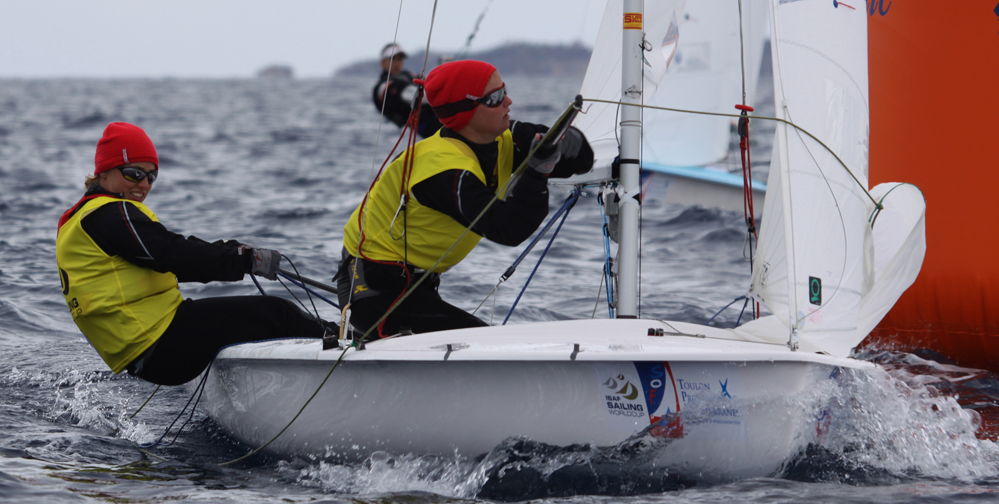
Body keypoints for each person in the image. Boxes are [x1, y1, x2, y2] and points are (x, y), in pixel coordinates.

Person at [56, 122, 336, 386]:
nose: (143, 184)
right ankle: (345, 341)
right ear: (104, 172)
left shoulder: (82, 219)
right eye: (134, 173)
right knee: (278, 312)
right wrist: (244, 259)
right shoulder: (108, 215)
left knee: (250, 317)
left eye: (151, 176)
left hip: (145, 352)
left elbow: (169, 256)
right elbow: (172, 254)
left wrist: (232, 252)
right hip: (162, 345)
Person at [338, 60, 594, 338]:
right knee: (482, 342)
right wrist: (538, 171)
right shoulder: (441, 170)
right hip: (373, 288)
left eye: (504, 90)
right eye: (495, 98)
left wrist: (572, 142)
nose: (509, 101)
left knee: (475, 338)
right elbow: (508, 228)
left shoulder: (499, 136)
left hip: (415, 283)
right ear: (466, 112)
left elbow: (578, 163)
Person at [372, 43, 442, 138]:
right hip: (419, 130)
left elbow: (431, 85)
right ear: (382, 63)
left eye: (400, 59)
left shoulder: (412, 76)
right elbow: (416, 96)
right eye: (393, 59)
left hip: (439, 120)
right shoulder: (383, 86)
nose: (397, 62)